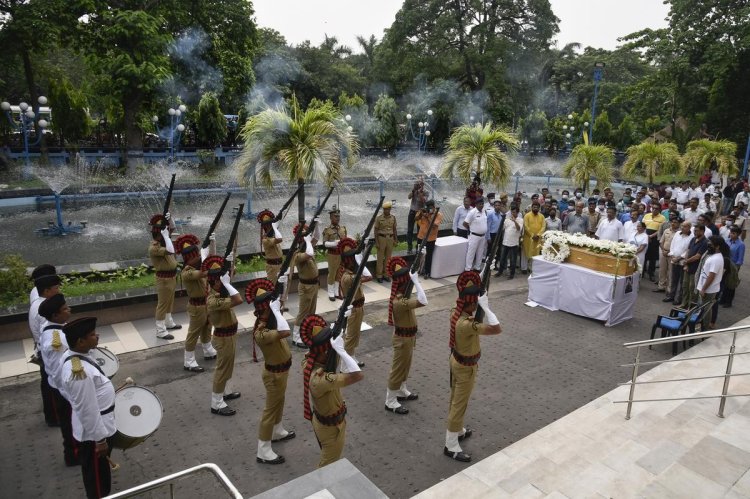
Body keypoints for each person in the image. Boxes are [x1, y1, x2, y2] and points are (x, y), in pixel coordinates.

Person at [444, 271, 502, 462]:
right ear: (470, 303)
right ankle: (451, 445)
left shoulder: (457, 311)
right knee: (458, 405)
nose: (477, 304)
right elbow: (496, 328)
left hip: (457, 361)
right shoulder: (466, 324)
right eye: (475, 301)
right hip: (465, 368)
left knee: (457, 400)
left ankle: (458, 430)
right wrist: (486, 306)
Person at [61, 317, 116, 499]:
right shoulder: (80, 373)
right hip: (93, 434)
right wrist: (100, 440)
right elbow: (88, 409)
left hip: (96, 428)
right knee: (97, 481)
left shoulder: (77, 356)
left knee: (99, 474)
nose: (97, 336)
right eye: (92, 335)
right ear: (80, 341)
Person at [300, 312, 363, 468]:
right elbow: (357, 375)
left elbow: (329, 357)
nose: (331, 352)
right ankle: (321, 490)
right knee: (327, 467)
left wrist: (340, 326)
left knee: (330, 463)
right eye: (328, 350)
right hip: (331, 430)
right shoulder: (320, 380)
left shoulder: (309, 360)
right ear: (323, 352)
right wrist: (341, 351)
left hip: (325, 421)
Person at [245, 278, 295, 465]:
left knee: (279, 402)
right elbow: (285, 331)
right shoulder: (261, 332)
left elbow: (279, 315)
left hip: (282, 371)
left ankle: (278, 430)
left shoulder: (270, 321)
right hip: (274, 375)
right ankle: (263, 449)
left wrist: (277, 298)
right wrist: (273, 310)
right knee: (270, 409)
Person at [38, 294, 78, 466]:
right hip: (63, 391)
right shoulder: (57, 340)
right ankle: (73, 455)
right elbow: (58, 371)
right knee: (70, 425)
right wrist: (70, 395)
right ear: (55, 315)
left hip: (61, 388)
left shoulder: (53, 326)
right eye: (65, 309)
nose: (69, 310)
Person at [384, 257, 427, 415]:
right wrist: (416, 282)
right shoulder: (399, 302)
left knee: (405, 366)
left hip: (409, 337)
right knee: (398, 369)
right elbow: (424, 301)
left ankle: (401, 390)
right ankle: (390, 401)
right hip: (402, 339)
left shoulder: (403, 298)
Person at [202, 255, 243, 416]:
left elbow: (231, 276)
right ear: (215, 282)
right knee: (222, 369)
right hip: (223, 338)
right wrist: (226, 283)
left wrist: (229, 265)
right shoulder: (213, 300)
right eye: (221, 280)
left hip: (230, 335)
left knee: (228, 367)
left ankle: (224, 392)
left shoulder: (221, 290)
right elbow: (238, 299)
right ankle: (216, 403)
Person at [175, 234, 217, 373]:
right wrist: (204, 255)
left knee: (207, 327)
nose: (198, 257)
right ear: (189, 258)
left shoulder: (195, 268)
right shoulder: (187, 272)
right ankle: (189, 361)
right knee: (193, 333)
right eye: (195, 255)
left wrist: (212, 244)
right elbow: (203, 273)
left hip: (205, 303)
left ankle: (208, 349)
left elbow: (208, 264)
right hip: (196, 306)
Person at [338, 237, 372, 366]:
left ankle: (351, 357)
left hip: (358, 307)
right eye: (354, 260)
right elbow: (369, 276)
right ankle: (344, 364)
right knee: (351, 336)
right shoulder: (349, 277)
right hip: (353, 309)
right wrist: (360, 261)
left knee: (355, 335)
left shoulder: (351, 274)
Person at [148, 213, 181, 340]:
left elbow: (171, 228)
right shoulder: (154, 247)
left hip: (172, 276)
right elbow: (171, 251)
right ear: (159, 235)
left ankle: (168, 322)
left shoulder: (162, 241)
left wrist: (169, 218)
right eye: (164, 233)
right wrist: (166, 237)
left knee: (169, 301)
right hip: (164, 278)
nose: (167, 234)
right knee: (162, 304)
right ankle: (160, 330)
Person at [292, 225, 320, 347]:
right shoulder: (297, 255)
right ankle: (296, 337)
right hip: (306, 286)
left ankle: (307, 332)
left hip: (314, 285)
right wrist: (308, 241)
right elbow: (309, 253)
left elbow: (317, 237)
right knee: (303, 312)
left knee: (312, 311)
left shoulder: (308, 247)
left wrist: (317, 224)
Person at [697, 236, 725, 331]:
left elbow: (711, 276)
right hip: (706, 288)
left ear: (717, 246)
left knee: (706, 310)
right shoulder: (713, 256)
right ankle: (702, 326)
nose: (708, 245)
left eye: (710, 243)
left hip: (708, 290)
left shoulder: (716, 259)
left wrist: (704, 289)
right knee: (703, 309)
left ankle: (703, 329)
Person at [664, 221, 693, 304]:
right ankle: (671, 296)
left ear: (689, 227)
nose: (682, 227)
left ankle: (678, 298)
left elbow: (688, 250)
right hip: (674, 259)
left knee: (682, 281)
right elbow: (672, 245)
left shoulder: (692, 237)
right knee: (673, 279)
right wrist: (672, 255)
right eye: (682, 226)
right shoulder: (677, 234)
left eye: (684, 226)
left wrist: (680, 258)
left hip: (683, 261)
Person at [322, 207, 347, 301]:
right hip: (332, 254)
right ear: (331, 218)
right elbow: (324, 243)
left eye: (338, 216)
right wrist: (334, 243)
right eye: (335, 216)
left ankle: (336, 292)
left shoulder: (343, 229)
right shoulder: (327, 230)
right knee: (332, 273)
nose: (337, 218)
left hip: (341, 254)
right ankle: (330, 292)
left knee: (338, 273)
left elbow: (346, 241)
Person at [681, 224, 708, 308]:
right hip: (687, 267)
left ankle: (690, 307)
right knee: (685, 286)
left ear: (702, 231)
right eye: (694, 230)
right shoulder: (693, 239)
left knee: (692, 289)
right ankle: (684, 304)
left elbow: (697, 256)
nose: (695, 232)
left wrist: (686, 262)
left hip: (695, 269)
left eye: (697, 231)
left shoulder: (705, 242)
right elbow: (688, 251)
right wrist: (686, 263)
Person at [415, 199, 444, 278]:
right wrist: (421, 214)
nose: (429, 209)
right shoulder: (424, 211)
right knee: (418, 253)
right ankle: (417, 269)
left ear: (434, 207)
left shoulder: (438, 214)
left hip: (431, 238)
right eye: (427, 207)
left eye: (430, 207)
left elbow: (434, 225)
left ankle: (427, 272)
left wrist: (428, 217)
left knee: (429, 255)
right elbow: (416, 219)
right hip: (421, 236)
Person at [720, 226, 744, 307]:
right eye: (730, 232)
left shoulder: (741, 245)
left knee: (731, 284)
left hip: (733, 266)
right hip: (725, 264)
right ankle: (722, 300)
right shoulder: (727, 241)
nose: (731, 234)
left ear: (738, 235)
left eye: (733, 233)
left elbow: (740, 259)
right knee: (724, 283)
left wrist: (736, 269)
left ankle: (728, 302)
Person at [497, 204, 523, 279]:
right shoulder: (507, 220)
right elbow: (502, 229)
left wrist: (515, 221)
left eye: (514, 212)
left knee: (513, 260)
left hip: (514, 244)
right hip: (505, 242)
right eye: (512, 212)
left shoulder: (520, 220)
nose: (513, 214)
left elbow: (519, 229)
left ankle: (512, 274)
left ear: (517, 213)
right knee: (502, 258)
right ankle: (500, 272)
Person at [374, 201, 397, 283]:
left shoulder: (393, 218)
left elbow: (394, 229)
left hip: (390, 238)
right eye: (385, 209)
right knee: (380, 258)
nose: (386, 211)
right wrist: (376, 241)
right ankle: (379, 275)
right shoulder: (379, 218)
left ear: (390, 209)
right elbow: (376, 230)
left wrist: (395, 239)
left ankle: (386, 274)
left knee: (388, 258)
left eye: (387, 209)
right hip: (381, 238)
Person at [656, 215, 680, 294]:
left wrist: (669, 251)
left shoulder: (679, 233)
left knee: (670, 272)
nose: (673, 224)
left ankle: (669, 289)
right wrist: (663, 250)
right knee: (662, 270)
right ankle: (661, 286)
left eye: (675, 222)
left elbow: (677, 245)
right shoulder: (666, 230)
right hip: (663, 252)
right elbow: (661, 242)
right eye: (672, 222)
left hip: (672, 254)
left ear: (679, 224)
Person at [463, 197, 488, 271]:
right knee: (471, 253)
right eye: (480, 204)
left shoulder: (484, 211)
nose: (481, 205)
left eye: (482, 204)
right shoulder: (472, 212)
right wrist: (471, 229)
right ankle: (468, 268)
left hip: (483, 236)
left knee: (480, 253)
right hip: (474, 236)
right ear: (476, 204)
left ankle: (477, 267)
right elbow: (465, 223)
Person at [643, 204, 667, 281]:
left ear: (659, 210)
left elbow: (660, 230)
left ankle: (651, 273)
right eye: (653, 208)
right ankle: (642, 272)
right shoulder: (647, 215)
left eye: (656, 208)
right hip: (645, 236)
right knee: (644, 254)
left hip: (654, 238)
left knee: (652, 256)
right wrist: (646, 236)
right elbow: (643, 226)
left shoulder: (663, 218)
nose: (654, 210)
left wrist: (651, 236)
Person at [521, 201, 545, 274]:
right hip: (528, 238)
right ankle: (524, 268)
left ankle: (532, 268)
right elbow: (526, 226)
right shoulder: (527, 215)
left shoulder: (542, 216)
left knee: (535, 254)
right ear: (532, 207)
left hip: (537, 239)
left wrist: (538, 235)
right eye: (534, 207)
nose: (535, 208)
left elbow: (543, 227)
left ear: (539, 208)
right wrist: (532, 235)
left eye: (537, 207)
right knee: (525, 253)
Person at [407, 175, 428, 251]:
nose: (418, 184)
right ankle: (409, 246)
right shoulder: (414, 190)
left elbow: (424, 201)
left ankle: (418, 245)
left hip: (420, 213)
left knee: (420, 230)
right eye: (417, 183)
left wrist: (420, 192)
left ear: (423, 184)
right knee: (410, 229)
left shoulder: (425, 192)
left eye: (420, 183)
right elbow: (409, 197)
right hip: (412, 211)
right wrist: (413, 190)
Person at [486, 200, 505, 271]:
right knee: (490, 250)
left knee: (498, 251)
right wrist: (488, 237)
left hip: (499, 234)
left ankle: (495, 265)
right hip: (492, 235)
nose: (497, 207)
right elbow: (488, 226)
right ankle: (487, 265)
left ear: (500, 206)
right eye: (496, 205)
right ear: (494, 206)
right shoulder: (490, 214)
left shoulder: (501, 215)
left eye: (499, 205)